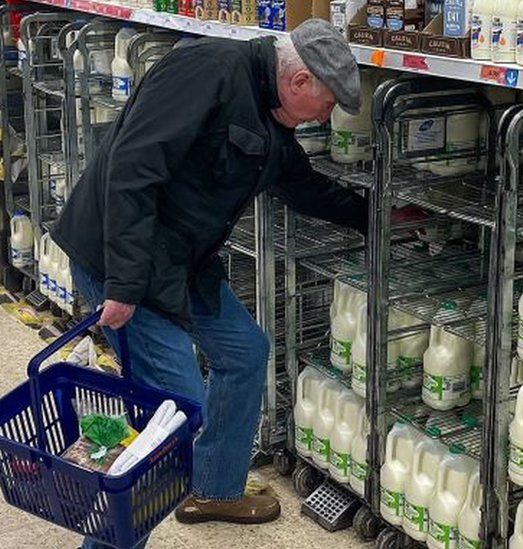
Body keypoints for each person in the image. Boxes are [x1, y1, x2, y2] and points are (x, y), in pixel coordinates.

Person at [51, 19, 368, 548]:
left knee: (245, 353)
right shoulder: (207, 71)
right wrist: (125, 283)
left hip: (183, 263)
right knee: (173, 417)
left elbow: (301, 186)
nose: (327, 115)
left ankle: (214, 489)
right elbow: (132, 166)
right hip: (126, 261)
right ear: (300, 83)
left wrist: (377, 215)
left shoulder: (272, 115)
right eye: (330, 102)